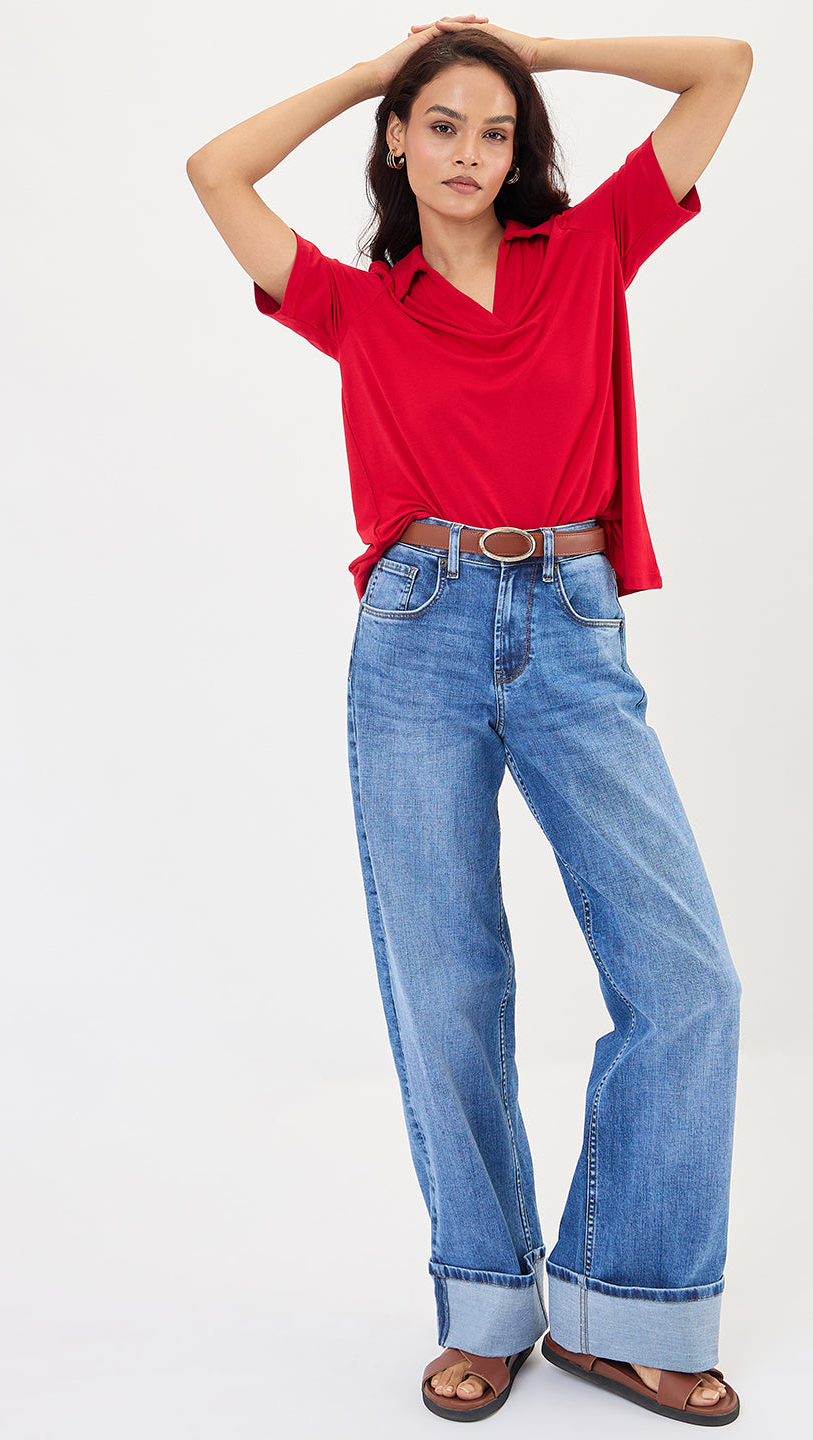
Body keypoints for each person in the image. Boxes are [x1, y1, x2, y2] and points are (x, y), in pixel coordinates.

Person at [187, 16, 753, 1426]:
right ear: (398, 140)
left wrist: (536, 51)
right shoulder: (356, 302)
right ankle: (489, 1307)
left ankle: (628, 1306)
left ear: (521, 152)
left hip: (568, 625)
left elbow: (726, 66)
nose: (469, 151)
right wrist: (373, 75)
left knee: (691, 982)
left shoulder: (591, 253)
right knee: (446, 987)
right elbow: (213, 172)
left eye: (495, 131)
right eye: (440, 124)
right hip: (415, 640)